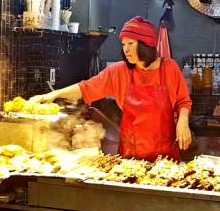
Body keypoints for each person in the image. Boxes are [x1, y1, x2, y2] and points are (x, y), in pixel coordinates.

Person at [35, 17, 192, 161]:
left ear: (146, 44)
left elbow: (183, 101)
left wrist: (183, 121)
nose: (126, 49)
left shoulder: (169, 67)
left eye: (131, 43)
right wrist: (57, 93)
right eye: (123, 44)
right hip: (131, 154)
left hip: (166, 155)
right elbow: (87, 87)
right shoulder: (119, 71)